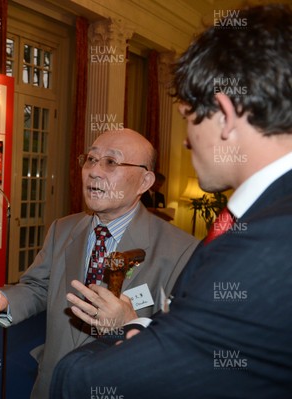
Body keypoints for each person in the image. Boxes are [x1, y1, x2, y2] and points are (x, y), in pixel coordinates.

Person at [51, 4, 292, 398]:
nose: (185, 140)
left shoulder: (269, 238)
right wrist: (141, 328)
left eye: (188, 117)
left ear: (226, 116)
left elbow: (99, 379)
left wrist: (76, 368)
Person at [0, 128, 198, 399]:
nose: (94, 171)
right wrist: (6, 299)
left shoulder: (181, 250)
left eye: (111, 162)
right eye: (90, 159)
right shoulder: (63, 228)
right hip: (54, 384)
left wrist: (130, 323)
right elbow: (39, 286)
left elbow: (183, 346)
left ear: (145, 181)